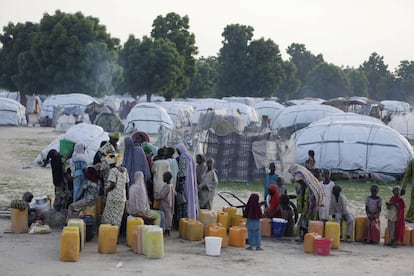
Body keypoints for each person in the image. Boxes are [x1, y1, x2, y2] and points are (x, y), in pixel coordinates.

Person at [289, 164, 324, 239]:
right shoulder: (304, 172)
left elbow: (302, 186)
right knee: (310, 215)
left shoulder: (299, 174)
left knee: (306, 215)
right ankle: (310, 233)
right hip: (313, 197)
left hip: (309, 197)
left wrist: (301, 201)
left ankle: (305, 233)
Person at [101, 156, 129, 228]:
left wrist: (106, 191)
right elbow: (127, 184)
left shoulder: (113, 170)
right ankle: (116, 232)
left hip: (113, 196)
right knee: (118, 216)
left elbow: (113, 184)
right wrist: (127, 196)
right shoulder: (125, 170)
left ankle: (107, 231)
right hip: (122, 197)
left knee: (108, 214)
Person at [174, 143, 199, 223]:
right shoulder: (190, 156)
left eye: (177, 150)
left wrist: (178, 183)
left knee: (184, 198)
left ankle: (185, 217)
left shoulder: (182, 157)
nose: (177, 151)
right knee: (191, 197)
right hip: (191, 180)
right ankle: (192, 215)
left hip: (185, 181)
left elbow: (181, 173)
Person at [154, 171, 174, 236]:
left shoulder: (167, 187)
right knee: (169, 216)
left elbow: (162, 195)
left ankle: (166, 230)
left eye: (163, 177)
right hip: (170, 203)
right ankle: (168, 230)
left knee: (165, 217)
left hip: (165, 204)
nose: (163, 178)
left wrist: (156, 195)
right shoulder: (171, 186)